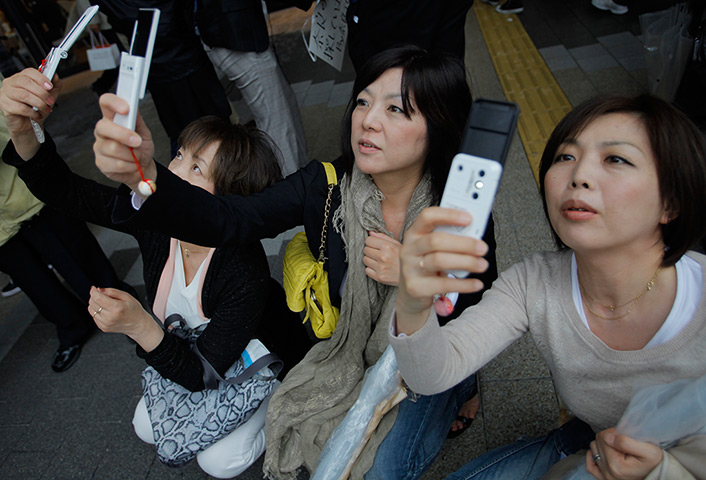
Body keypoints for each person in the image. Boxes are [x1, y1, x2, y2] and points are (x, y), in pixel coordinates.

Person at [91, 46, 498, 479]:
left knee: (383, 469)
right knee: (333, 450)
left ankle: (463, 387)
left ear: (438, 126)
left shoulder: (458, 212)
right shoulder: (324, 185)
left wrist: (413, 281)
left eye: (396, 109)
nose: (368, 119)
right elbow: (232, 219)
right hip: (346, 347)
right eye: (363, 100)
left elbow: (479, 306)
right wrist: (149, 178)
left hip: (427, 355)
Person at [0, 68, 306, 477]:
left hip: (251, 361)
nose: (173, 170)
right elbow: (66, 192)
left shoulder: (242, 271)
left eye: (197, 169)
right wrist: (23, 128)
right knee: (145, 427)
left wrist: (138, 324)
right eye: (180, 154)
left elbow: (201, 374)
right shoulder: (156, 221)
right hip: (196, 353)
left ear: (233, 205)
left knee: (219, 462)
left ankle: (280, 410)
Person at [390, 94, 706, 479]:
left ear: (670, 203)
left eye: (616, 159)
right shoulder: (533, 282)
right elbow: (434, 373)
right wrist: (411, 304)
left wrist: (661, 472)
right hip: (590, 443)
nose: (579, 175)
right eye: (564, 156)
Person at [0, 73, 134, 373]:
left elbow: (12, 125)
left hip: (28, 194)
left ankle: (125, 312)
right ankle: (72, 328)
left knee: (80, 259)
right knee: (33, 282)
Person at [192, 0, 308, 176]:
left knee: (267, 119)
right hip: (234, 32)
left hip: (222, 30)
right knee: (277, 124)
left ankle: (295, 182)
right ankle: (295, 191)